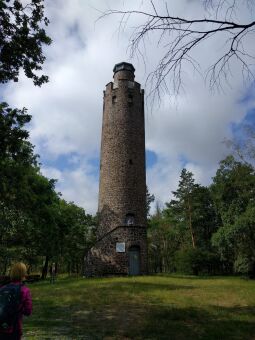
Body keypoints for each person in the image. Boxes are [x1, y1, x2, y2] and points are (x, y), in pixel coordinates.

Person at [0, 262, 32, 339]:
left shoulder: (2, 288)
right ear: (24, 273)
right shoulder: (24, 290)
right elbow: (28, 311)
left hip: (1, 326)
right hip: (15, 328)